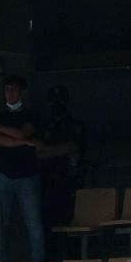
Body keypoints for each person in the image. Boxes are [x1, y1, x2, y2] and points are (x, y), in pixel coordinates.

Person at [0, 75, 45, 262]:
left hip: (27, 176)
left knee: (34, 225)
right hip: (2, 176)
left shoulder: (31, 115)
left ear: (21, 92)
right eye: (7, 89)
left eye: (14, 89)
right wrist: (26, 143)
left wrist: (7, 132)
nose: (10, 93)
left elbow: (21, 132)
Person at [36, 85, 86, 232]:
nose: (57, 103)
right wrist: (59, 150)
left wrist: (48, 150)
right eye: (53, 100)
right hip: (47, 184)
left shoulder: (75, 125)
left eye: (60, 100)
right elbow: (38, 152)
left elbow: (72, 147)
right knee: (49, 230)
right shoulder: (43, 127)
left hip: (70, 183)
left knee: (73, 229)